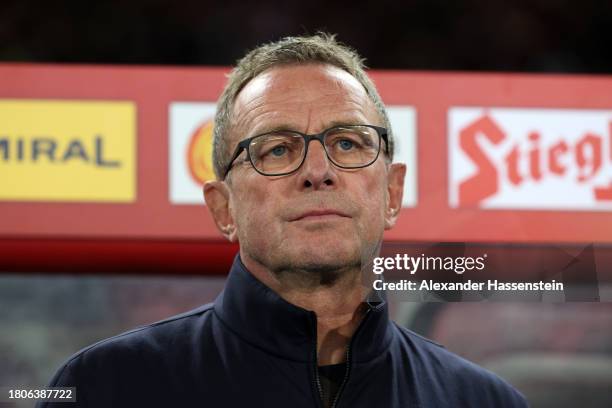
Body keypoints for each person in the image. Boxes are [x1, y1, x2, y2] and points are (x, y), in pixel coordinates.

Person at [40, 34, 528, 408]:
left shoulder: (484, 400)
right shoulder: (106, 387)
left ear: (392, 193)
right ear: (222, 208)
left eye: (347, 144)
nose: (318, 172)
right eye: (276, 149)